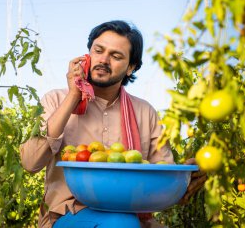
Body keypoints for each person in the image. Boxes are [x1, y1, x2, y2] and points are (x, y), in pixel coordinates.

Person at [20, 20, 206, 228]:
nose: (104, 60)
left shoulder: (145, 112)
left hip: (133, 214)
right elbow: (30, 163)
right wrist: (74, 95)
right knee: (121, 223)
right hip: (67, 213)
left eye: (116, 56)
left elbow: (160, 181)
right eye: (98, 51)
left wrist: (185, 181)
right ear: (87, 55)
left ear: (130, 68)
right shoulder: (56, 100)